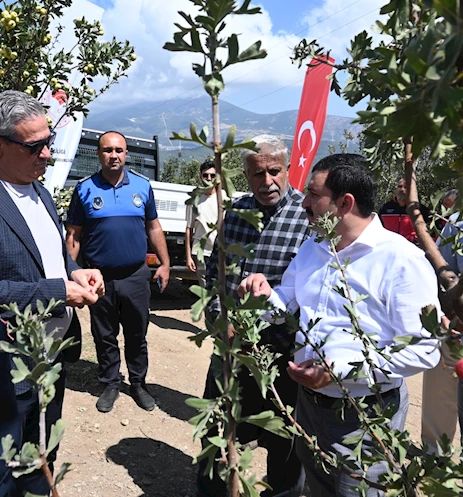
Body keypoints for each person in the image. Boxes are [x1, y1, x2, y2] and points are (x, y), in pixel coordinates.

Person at [239, 154, 441, 497]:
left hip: (365, 418)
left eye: (313, 195)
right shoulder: (313, 248)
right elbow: (288, 301)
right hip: (308, 407)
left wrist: (340, 373)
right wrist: (264, 294)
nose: (303, 203)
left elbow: (424, 349)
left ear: (344, 203)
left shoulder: (402, 260)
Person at [0, 90, 103, 495]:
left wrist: (76, 271)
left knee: (41, 448)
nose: (48, 154)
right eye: (35, 147)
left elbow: (52, 257)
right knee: (3, 465)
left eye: (49, 142)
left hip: (51, 355)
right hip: (8, 367)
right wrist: (59, 291)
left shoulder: (41, 192)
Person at [197, 137, 313, 497]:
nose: (267, 182)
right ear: (245, 176)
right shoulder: (235, 214)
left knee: (286, 441)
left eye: (274, 171)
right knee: (218, 431)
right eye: (257, 174)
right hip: (231, 349)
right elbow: (216, 278)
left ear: (287, 169)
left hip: (282, 355)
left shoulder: (307, 218)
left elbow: (312, 291)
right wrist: (220, 319)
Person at [65, 131, 170, 413]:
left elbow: (154, 227)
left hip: (135, 276)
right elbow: (74, 234)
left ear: (126, 154)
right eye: (108, 150)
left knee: (137, 333)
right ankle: (110, 383)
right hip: (98, 278)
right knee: (104, 334)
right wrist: (68, 270)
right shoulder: (84, 189)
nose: (114, 155)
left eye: (119, 150)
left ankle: (138, 383)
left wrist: (165, 262)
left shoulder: (142, 187)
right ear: (98, 154)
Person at [185, 160, 222, 288]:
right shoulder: (194, 199)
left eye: (212, 175)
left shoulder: (223, 199)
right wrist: (188, 256)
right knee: (205, 291)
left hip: (218, 252)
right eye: (205, 175)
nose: (208, 178)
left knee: (219, 289)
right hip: (200, 252)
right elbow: (189, 228)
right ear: (200, 176)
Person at [379, 177, 431, 242]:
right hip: (389, 247)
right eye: (400, 186)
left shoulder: (420, 209)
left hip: (412, 248)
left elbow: (431, 230)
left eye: (406, 187)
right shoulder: (385, 208)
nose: (402, 189)